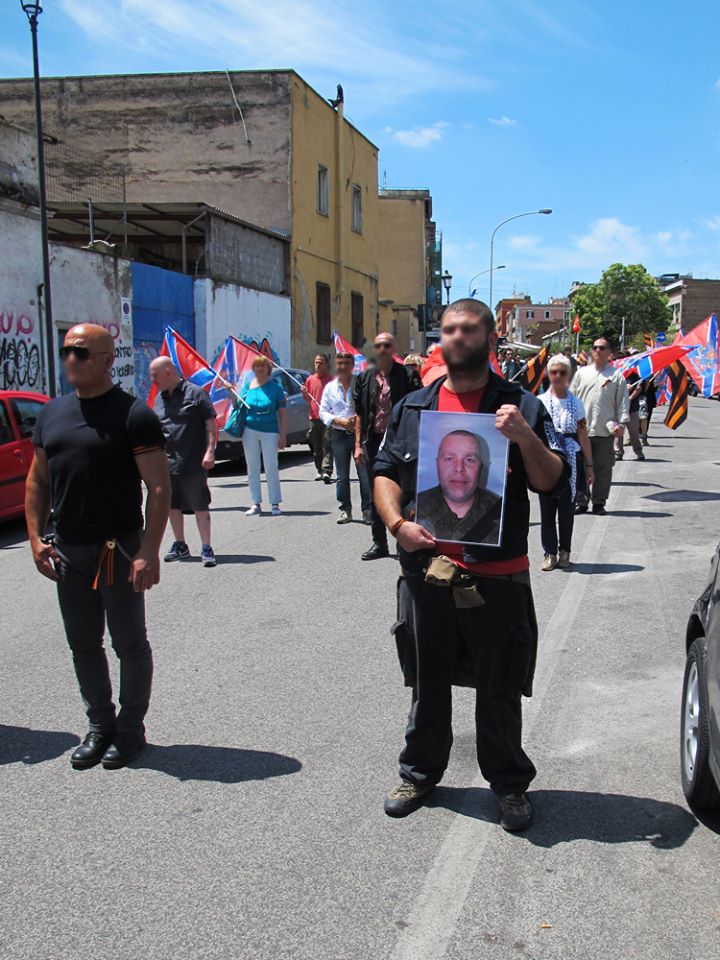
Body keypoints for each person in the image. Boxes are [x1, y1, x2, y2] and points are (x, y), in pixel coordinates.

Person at [374, 298, 568, 831]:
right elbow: (386, 471)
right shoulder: (415, 406)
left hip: (497, 576)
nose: (456, 337)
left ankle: (508, 785)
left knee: (499, 686)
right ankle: (419, 773)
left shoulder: (521, 406)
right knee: (427, 681)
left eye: (468, 329)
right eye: (449, 330)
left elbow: (552, 481)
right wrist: (397, 526)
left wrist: (524, 437)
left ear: (488, 339)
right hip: (428, 574)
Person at [25, 324, 170, 770]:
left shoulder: (133, 415)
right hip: (69, 550)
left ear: (107, 360)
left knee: (129, 643)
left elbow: (159, 488)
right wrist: (35, 538)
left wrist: (148, 549)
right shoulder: (52, 414)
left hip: (117, 549)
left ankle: (129, 732)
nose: (70, 358)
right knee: (83, 644)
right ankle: (99, 725)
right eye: (67, 350)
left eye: (81, 352)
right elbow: (37, 481)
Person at [354, 333, 422, 560]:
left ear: (393, 348)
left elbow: (420, 410)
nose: (382, 349)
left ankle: (405, 542)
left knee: (403, 492)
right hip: (373, 442)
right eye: (379, 345)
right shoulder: (365, 378)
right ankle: (379, 543)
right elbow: (359, 414)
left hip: (402, 443)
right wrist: (357, 445)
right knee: (376, 493)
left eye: (387, 345)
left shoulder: (409, 375)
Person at [150, 356, 218, 567]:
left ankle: (206, 547)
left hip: (192, 460)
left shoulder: (196, 394)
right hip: (167, 462)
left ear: (168, 372)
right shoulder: (159, 399)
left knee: (199, 503)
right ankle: (181, 544)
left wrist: (210, 451)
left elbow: (211, 424)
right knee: (172, 505)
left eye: (155, 375)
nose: (153, 380)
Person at [538, 354, 594, 570]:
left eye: (563, 372)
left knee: (567, 509)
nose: (558, 376)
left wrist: (589, 466)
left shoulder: (576, 404)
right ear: (549, 375)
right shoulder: (540, 402)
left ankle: (565, 551)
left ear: (569, 375)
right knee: (547, 508)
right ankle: (549, 552)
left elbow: (582, 435)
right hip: (547, 460)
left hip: (571, 461)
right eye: (554, 372)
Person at [571, 336, 629, 515]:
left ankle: (599, 502)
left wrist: (621, 424)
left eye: (602, 348)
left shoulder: (616, 376)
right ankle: (581, 500)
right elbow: (571, 398)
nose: (597, 350)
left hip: (605, 430)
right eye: (595, 347)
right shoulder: (582, 373)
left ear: (609, 353)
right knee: (581, 466)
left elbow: (622, 402)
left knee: (603, 468)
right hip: (582, 430)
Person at [416, 430, 502, 544]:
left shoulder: (499, 510)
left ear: (481, 467)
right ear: (437, 464)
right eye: (449, 459)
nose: (459, 468)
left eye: (469, 460)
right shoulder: (417, 506)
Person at [319, 352, 371, 524]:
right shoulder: (330, 387)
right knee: (342, 476)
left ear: (352, 365)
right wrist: (337, 420)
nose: (342, 367)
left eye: (346, 363)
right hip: (339, 434)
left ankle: (367, 510)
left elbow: (366, 406)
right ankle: (345, 509)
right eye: (339, 363)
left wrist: (357, 420)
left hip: (359, 435)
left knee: (364, 475)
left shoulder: (360, 384)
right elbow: (323, 411)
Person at [241, 355, 287, 517]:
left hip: (270, 431)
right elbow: (238, 406)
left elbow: (282, 415)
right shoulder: (248, 386)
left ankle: (275, 503)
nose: (259, 369)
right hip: (249, 430)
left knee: (271, 467)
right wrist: (230, 391)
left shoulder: (275, 388)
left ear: (268, 368)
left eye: (262, 366)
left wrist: (283, 436)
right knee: (252, 467)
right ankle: (256, 503)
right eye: (256, 366)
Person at [302, 354, 334, 482]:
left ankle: (327, 471)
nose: (318, 365)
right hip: (314, 416)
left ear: (326, 364)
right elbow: (308, 398)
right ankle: (319, 470)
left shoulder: (332, 380)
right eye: (316, 362)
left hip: (327, 417)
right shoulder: (310, 379)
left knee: (327, 444)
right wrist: (304, 393)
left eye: (320, 362)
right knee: (316, 446)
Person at [615, 365, 644, 461]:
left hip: (632, 409)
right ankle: (618, 453)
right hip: (619, 409)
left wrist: (630, 397)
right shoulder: (617, 375)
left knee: (634, 433)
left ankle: (638, 452)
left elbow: (639, 388)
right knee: (618, 432)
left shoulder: (635, 375)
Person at [639, 377, 657, 445]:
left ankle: (643, 433)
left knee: (645, 416)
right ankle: (642, 433)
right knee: (644, 416)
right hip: (643, 396)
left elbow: (650, 384)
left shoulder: (650, 373)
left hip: (647, 397)